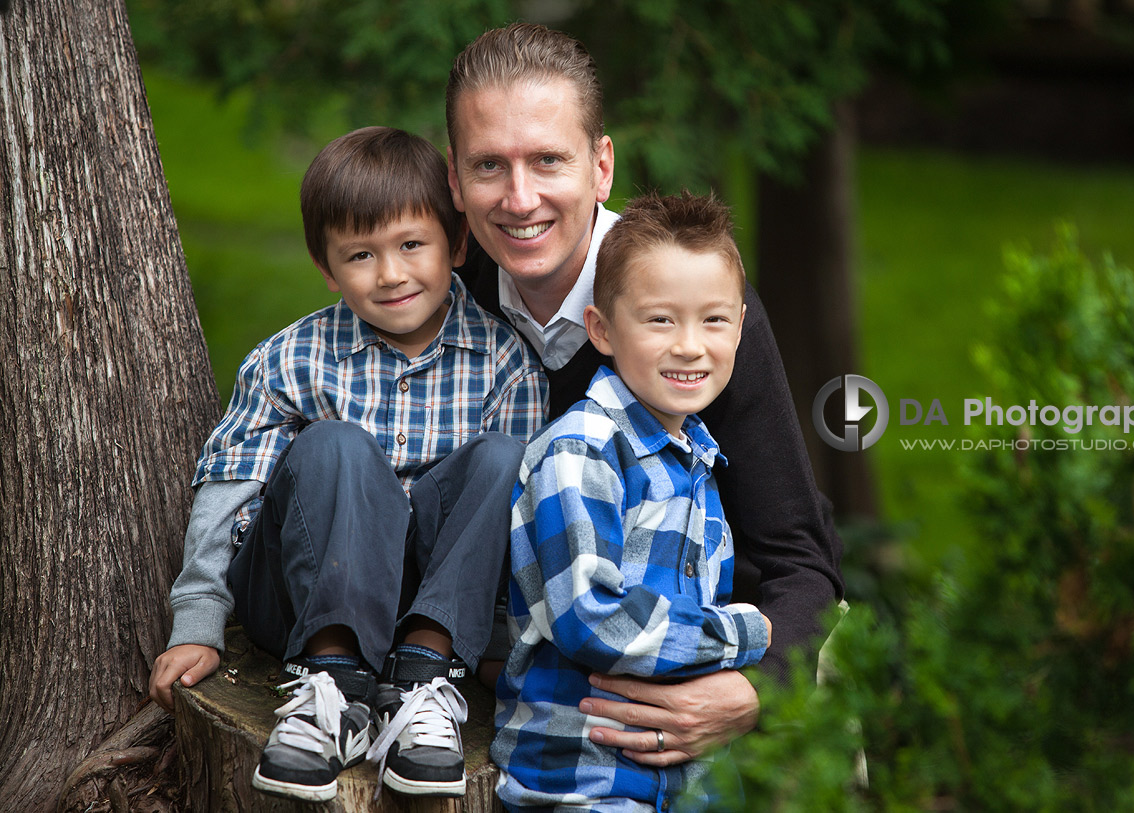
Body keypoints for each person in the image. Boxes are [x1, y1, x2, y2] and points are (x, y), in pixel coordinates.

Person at [446, 23, 844, 763]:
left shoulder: (689, 309)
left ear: (602, 167)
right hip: (522, 708)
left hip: (700, 671)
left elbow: (800, 557)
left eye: (547, 160)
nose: (520, 196)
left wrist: (755, 692)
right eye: (489, 166)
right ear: (453, 179)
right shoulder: (436, 298)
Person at [148, 126, 548, 803]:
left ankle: (426, 677)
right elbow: (227, 490)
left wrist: (506, 637)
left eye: (412, 245)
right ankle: (327, 688)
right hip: (298, 596)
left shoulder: (505, 362)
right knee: (336, 444)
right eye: (360, 255)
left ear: (456, 245)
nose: (391, 273)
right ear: (328, 269)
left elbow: (515, 519)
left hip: (433, 605)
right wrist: (198, 622)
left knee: (506, 458)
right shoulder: (290, 359)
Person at [494, 191, 773, 812]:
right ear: (601, 329)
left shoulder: (699, 457)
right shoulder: (582, 452)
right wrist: (744, 634)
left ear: (741, 327)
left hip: (690, 780)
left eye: (715, 320)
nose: (690, 345)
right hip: (585, 780)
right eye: (659, 319)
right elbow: (591, 617)